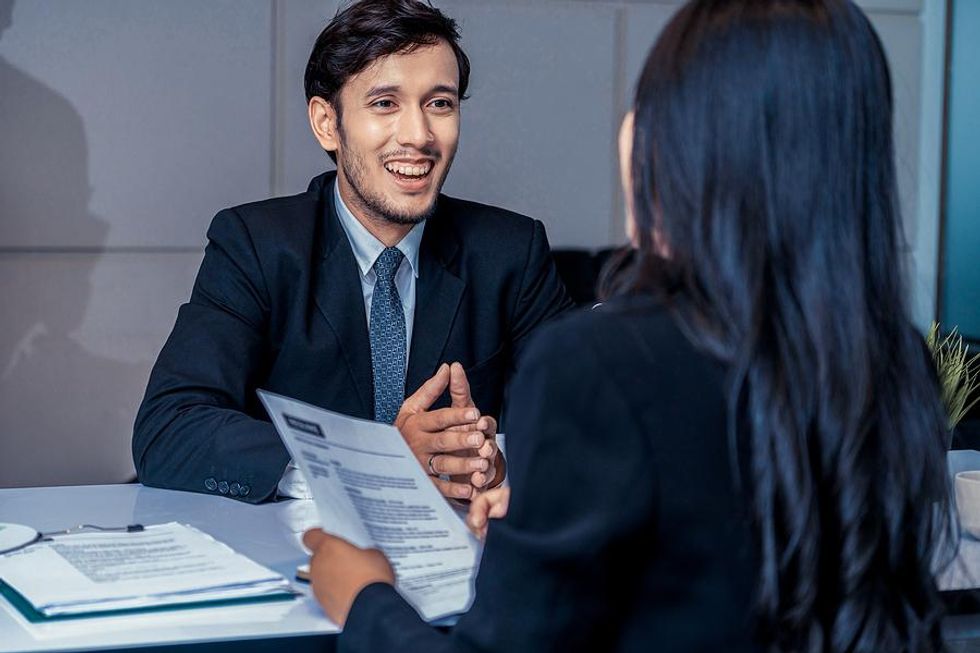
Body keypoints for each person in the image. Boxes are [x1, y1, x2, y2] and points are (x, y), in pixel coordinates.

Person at [302, 0, 956, 650]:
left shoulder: (599, 364)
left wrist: (364, 598)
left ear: (683, 141)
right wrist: (545, 526)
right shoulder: (899, 363)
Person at [132, 0, 572, 504]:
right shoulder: (256, 244)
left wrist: (497, 463)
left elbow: (586, 423)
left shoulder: (511, 251)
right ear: (327, 123)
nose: (419, 136)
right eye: (385, 103)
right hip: (297, 552)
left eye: (440, 103)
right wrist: (374, 462)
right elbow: (168, 429)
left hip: (460, 556)